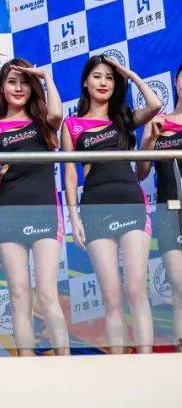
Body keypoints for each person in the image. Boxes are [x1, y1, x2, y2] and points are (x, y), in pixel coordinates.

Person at [63, 55, 160, 354]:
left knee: (136, 290)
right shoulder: (72, 124)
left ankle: (146, 364)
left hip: (131, 203)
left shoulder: (123, 118)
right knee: (112, 297)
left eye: (109, 77)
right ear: (85, 82)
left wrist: (130, 75)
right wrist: (74, 218)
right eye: (97, 76)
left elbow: (155, 105)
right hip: (94, 208)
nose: (103, 82)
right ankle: (118, 367)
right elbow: (69, 176)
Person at [0, 58, 69, 356]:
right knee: (19, 295)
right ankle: (26, 367)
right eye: (11, 82)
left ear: (32, 87)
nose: (18, 88)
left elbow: (57, 113)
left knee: (46, 293)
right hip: (7, 216)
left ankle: (66, 365)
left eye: (24, 82)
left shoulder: (43, 120)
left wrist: (46, 77)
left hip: (45, 212)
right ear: (1, 88)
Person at [139, 63, 182, 349]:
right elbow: (141, 172)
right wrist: (152, 139)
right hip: (169, 212)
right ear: (177, 82)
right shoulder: (159, 122)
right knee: (179, 289)